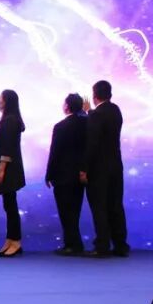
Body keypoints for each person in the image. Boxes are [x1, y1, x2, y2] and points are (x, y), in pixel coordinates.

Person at [80, 80, 129, 257]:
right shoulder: (116, 110)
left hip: (98, 168)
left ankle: (102, 245)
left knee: (99, 206)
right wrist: (90, 112)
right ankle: (120, 245)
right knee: (116, 205)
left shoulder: (96, 115)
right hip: (116, 165)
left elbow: (92, 144)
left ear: (94, 96)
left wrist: (84, 168)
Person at [45, 93, 88, 256]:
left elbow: (55, 152)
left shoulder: (61, 126)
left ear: (67, 107)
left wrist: (49, 174)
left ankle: (72, 244)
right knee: (75, 210)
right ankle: (75, 243)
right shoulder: (88, 124)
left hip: (62, 175)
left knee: (65, 211)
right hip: (80, 175)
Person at [0, 89, 26, 258]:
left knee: (11, 206)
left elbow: (7, 147)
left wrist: (1, 169)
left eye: (0, 98)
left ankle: (16, 241)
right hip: (8, 169)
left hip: (9, 170)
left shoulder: (10, 121)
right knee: (9, 205)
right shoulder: (8, 119)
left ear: (7, 101)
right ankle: (10, 239)